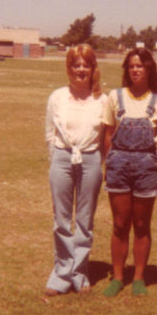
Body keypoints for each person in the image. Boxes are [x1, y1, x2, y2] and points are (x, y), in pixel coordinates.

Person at [44, 44, 107, 297]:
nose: (81, 69)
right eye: (76, 65)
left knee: (84, 220)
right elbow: (50, 132)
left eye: (85, 65)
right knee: (61, 220)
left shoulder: (103, 100)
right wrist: (56, 157)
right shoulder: (57, 96)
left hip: (91, 160)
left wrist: (98, 160)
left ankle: (79, 273)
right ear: (69, 68)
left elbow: (106, 136)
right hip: (62, 158)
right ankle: (61, 274)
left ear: (93, 68)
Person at [102, 48, 157, 297]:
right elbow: (107, 134)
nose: (135, 70)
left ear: (149, 69)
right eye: (131, 66)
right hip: (118, 165)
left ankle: (138, 276)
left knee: (141, 224)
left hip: (146, 167)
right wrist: (111, 162)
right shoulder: (115, 96)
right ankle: (118, 277)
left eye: (140, 66)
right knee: (119, 224)